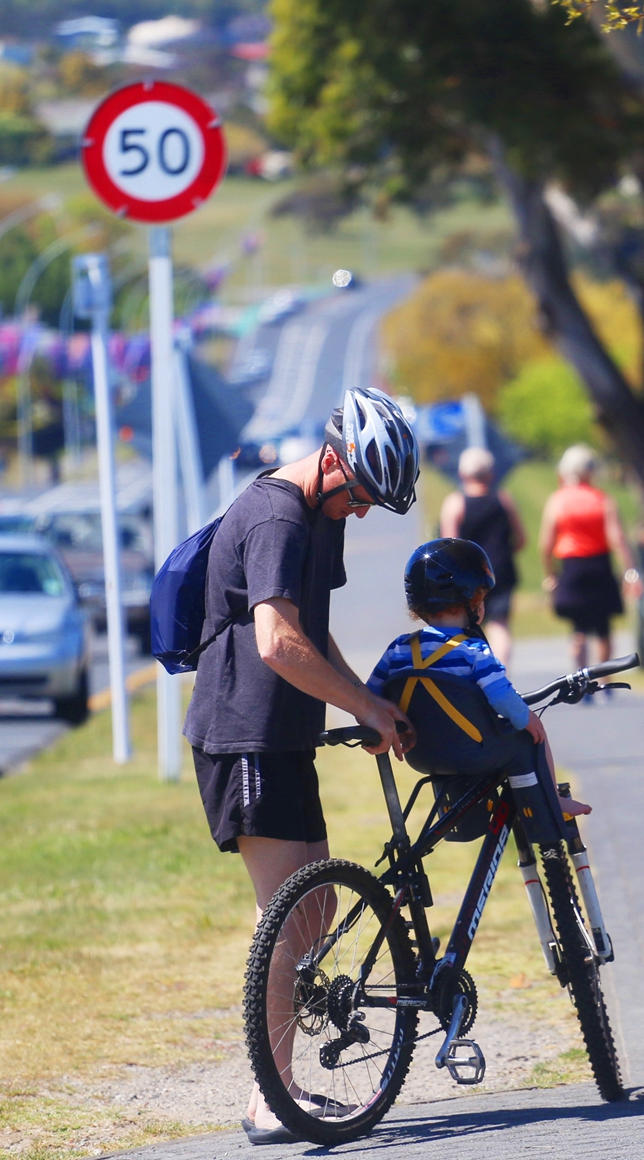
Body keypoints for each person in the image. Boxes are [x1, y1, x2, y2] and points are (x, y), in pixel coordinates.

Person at [180, 385, 421, 1144]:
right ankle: (269, 1096)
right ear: (331, 459)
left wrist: (364, 700)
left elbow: (311, 632)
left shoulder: (321, 514)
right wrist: (362, 705)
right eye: (362, 495)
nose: (364, 511)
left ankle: (279, 1080)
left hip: (284, 734)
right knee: (281, 915)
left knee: (311, 909)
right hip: (241, 733)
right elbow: (277, 643)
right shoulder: (279, 515)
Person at [367, 537, 591, 816]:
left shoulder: (399, 648)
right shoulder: (474, 649)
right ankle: (551, 803)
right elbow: (500, 695)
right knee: (531, 739)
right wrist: (527, 718)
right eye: (481, 597)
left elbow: (370, 694)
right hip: (473, 752)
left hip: (420, 754)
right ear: (471, 601)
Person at [539, 445, 630, 671]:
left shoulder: (558, 500)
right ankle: (604, 678)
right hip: (599, 564)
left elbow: (546, 543)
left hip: (572, 567)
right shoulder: (601, 499)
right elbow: (616, 537)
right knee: (603, 627)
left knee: (578, 628)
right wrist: (629, 569)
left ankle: (581, 675)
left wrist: (550, 573)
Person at [438, 447, 526, 664]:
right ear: (491, 473)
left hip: (469, 575)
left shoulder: (455, 504)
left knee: (466, 626)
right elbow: (521, 538)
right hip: (500, 570)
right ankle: (501, 673)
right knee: (500, 625)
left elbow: (450, 546)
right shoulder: (503, 500)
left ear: (462, 474)